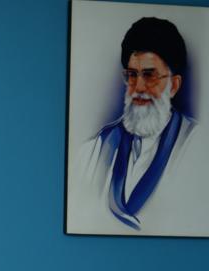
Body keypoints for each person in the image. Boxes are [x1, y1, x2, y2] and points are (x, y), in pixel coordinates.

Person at [69, 16, 206, 235]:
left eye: (150, 76)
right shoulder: (95, 150)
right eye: (132, 75)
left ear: (174, 85)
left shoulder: (199, 147)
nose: (138, 87)